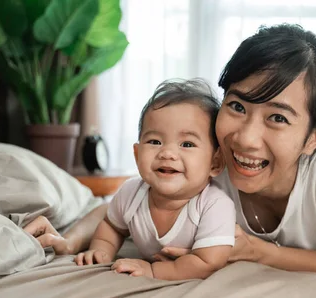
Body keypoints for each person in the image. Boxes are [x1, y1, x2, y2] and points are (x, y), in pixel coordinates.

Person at [26, 23, 316, 276]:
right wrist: (69, 241)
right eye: (237, 107)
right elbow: (128, 203)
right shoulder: (212, 152)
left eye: (278, 118)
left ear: (313, 137)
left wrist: (259, 252)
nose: (245, 139)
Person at [27, 79, 235, 280]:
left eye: (187, 144)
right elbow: (111, 227)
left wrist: (154, 271)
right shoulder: (131, 193)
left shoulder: (215, 205)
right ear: (137, 155)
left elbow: (208, 263)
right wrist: (101, 250)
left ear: (215, 163)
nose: (167, 153)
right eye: (155, 141)